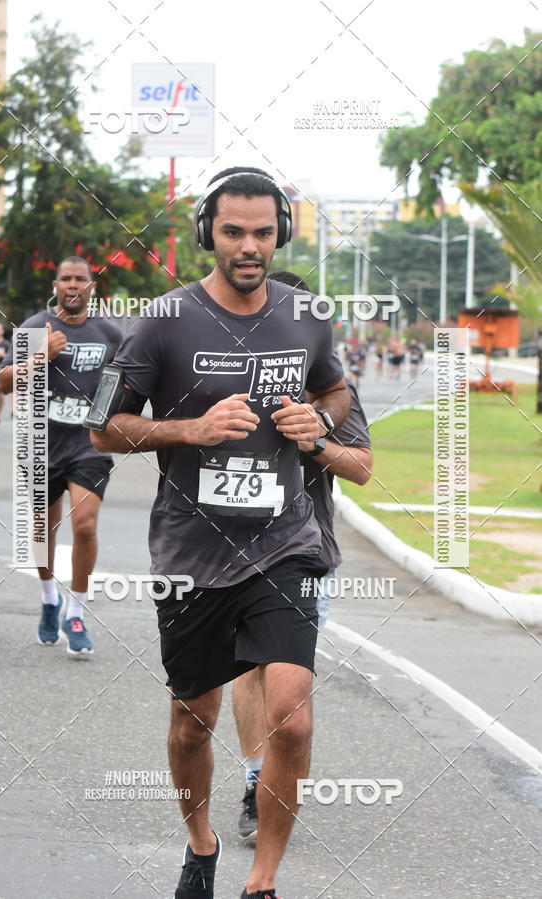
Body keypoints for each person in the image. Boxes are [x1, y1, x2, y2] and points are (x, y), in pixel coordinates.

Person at [89, 167, 351, 899]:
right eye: (233, 231)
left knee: (291, 720)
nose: (249, 246)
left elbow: (335, 386)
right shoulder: (161, 319)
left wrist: (321, 421)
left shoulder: (307, 313)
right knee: (189, 723)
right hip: (192, 554)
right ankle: (201, 843)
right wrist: (190, 428)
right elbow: (102, 424)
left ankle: (262, 881)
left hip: (284, 542)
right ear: (209, 233)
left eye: (263, 232)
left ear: (282, 234)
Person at [233, 272, 373, 845]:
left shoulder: (332, 389)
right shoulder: (222, 375)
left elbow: (362, 468)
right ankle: (253, 781)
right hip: (231, 552)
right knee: (248, 669)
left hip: (307, 551)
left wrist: (313, 439)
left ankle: (273, 772)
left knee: (288, 689)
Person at [0, 256, 122, 657]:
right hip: (41, 442)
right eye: (65, 279)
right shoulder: (36, 327)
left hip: (88, 444)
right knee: (41, 530)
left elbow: (130, 379)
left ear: (91, 286)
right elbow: (0, 382)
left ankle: (76, 612)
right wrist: (39, 356)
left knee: (84, 526)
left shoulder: (109, 332)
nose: (73, 285)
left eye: (80, 279)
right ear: (55, 285)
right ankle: (49, 598)